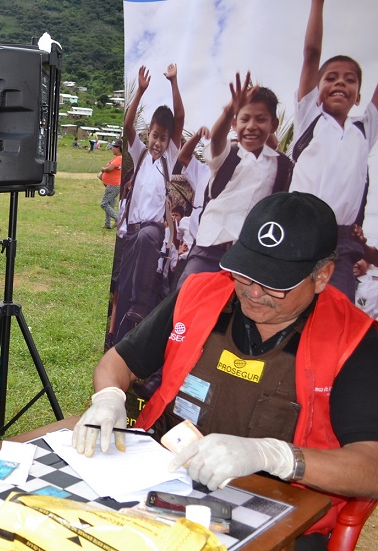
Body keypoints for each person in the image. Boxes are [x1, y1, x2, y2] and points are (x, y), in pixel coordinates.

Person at [73, 192, 378, 551]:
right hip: (164, 485)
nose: (252, 292)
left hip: (279, 519)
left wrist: (276, 456)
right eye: (246, 273)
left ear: (322, 276)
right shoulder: (200, 294)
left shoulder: (355, 341)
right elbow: (118, 363)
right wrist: (109, 397)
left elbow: (370, 467)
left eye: (275, 283)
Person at [289, 0, 378, 302]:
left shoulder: (363, 131)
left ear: (358, 97)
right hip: (301, 232)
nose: (340, 82)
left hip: (341, 243)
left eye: (350, 80)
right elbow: (312, 53)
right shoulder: (309, 118)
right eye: (331, 77)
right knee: (292, 310)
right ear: (317, 87)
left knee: (335, 313)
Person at [178, 73, 292, 286]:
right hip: (209, 252)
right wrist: (229, 109)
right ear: (234, 123)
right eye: (244, 118)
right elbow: (217, 139)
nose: (251, 126)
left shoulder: (282, 166)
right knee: (185, 307)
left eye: (261, 119)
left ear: (273, 125)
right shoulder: (228, 155)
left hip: (248, 261)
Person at [112, 64, 184, 342]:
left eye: (163, 138)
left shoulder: (169, 159)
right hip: (132, 233)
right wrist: (140, 90)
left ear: (169, 141)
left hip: (153, 233)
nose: (157, 142)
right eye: (154, 135)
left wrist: (173, 82)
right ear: (149, 133)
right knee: (125, 284)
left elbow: (179, 116)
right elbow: (128, 125)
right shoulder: (140, 154)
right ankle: (119, 340)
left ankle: (141, 308)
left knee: (146, 237)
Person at [98, 139, 121, 230]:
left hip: (113, 185)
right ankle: (107, 224)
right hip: (112, 184)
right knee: (109, 205)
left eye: (114, 147)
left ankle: (118, 219)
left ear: (119, 148)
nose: (112, 148)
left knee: (103, 204)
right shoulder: (116, 158)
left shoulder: (119, 158)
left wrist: (103, 169)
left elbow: (109, 169)